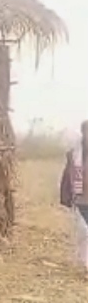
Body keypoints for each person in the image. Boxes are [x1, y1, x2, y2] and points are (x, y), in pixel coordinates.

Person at [60, 120, 88, 280]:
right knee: (84, 231)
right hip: (80, 200)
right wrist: (66, 196)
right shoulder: (74, 154)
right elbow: (67, 175)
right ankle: (86, 265)